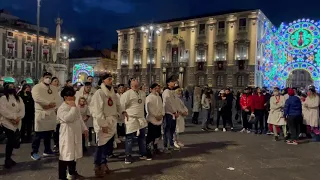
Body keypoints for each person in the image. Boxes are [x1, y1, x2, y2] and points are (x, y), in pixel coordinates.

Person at [90, 73, 125, 177]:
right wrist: (103, 124)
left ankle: (104, 163)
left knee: (108, 146)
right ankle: (97, 166)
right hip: (103, 123)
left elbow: (118, 104)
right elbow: (97, 111)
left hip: (112, 122)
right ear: (103, 81)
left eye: (111, 79)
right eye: (109, 79)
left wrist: (122, 112)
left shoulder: (112, 92)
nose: (111, 81)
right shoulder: (99, 93)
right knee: (101, 145)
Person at [57, 86, 88, 180]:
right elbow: (67, 118)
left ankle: (72, 172)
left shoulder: (74, 106)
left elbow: (79, 119)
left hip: (76, 132)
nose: (74, 98)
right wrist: (73, 108)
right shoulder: (62, 108)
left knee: (74, 155)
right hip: (67, 134)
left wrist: (84, 129)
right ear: (66, 97)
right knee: (65, 155)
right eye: (72, 96)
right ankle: (62, 177)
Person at [31, 72, 61, 160]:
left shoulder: (53, 88)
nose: (48, 79)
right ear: (43, 78)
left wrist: (52, 105)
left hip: (51, 112)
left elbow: (58, 99)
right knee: (38, 134)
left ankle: (47, 150)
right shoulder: (37, 87)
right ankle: (34, 152)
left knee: (49, 133)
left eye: (49, 77)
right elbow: (37, 98)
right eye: (47, 77)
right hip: (41, 113)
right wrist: (47, 103)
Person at [120, 77, 148, 164]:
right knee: (129, 138)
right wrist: (124, 112)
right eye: (134, 83)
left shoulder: (142, 93)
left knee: (142, 137)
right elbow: (121, 105)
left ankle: (143, 153)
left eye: (137, 83)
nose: (136, 85)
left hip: (140, 118)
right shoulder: (127, 94)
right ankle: (127, 156)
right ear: (131, 85)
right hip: (131, 118)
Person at [0, 83, 25, 169]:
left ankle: (9, 158)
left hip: (17, 122)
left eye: (13, 86)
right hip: (7, 122)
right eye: (10, 87)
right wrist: (13, 117)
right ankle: (7, 159)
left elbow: (22, 109)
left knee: (14, 141)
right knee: (10, 141)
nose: (12, 88)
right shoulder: (3, 99)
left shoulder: (19, 98)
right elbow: (3, 110)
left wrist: (18, 118)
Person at [145, 83, 164, 160]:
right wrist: (156, 116)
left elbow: (162, 107)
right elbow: (149, 108)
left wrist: (162, 115)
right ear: (151, 89)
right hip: (152, 119)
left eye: (158, 88)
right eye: (155, 88)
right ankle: (148, 152)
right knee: (150, 137)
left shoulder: (159, 97)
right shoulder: (149, 97)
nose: (157, 90)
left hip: (159, 119)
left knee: (157, 135)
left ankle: (155, 148)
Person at [162, 76, 180, 152]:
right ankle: (166, 146)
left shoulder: (173, 92)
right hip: (168, 113)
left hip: (174, 113)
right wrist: (173, 111)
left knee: (172, 130)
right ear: (168, 83)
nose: (174, 83)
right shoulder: (166, 91)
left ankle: (171, 145)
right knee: (167, 130)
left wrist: (177, 111)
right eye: (172, 82)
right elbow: (167, 103)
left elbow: (176, 102)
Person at [75, 82, 95, 147]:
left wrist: (88, 114)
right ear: (84, 87)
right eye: (87, 87)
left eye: (90, 87)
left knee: (90, 127)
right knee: (81, 129)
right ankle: (81, 143)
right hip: (80, 112)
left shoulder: (92, 94)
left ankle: (90, 140)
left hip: (89, 112)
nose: (88, 88)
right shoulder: (78, 93)